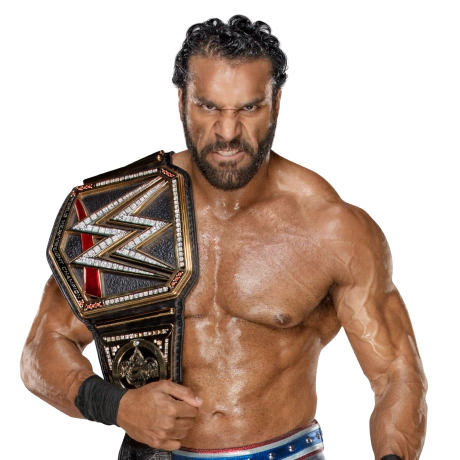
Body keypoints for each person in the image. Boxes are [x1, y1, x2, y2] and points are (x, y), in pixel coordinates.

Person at [19, 14, 428, 460]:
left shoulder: (330, 229)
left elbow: (396, 372)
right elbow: (41, 351)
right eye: (209, 107)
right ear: (182, 102)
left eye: (248, 108)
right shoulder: (119, 214)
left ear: (275, 104)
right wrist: (116, 406)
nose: (228, 132)